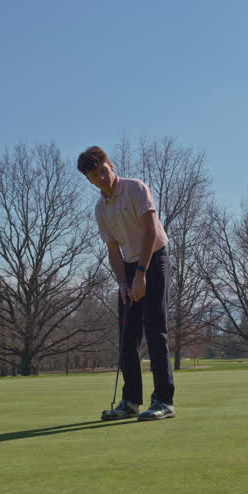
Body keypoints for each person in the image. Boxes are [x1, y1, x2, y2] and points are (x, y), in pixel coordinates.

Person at [78, 146, 175, 421]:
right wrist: (123, 283)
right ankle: (131, 401)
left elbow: (151, 231)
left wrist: (141, 274)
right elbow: (113, 249)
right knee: (127, 336)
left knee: (155, 331)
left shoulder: (135, 188)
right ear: (89, 180)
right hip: (129, 266)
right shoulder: (101, 209)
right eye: (93, 176)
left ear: (111, 166)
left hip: (154, 259)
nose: (101, 178)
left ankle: (164, 401)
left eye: (102, 171)